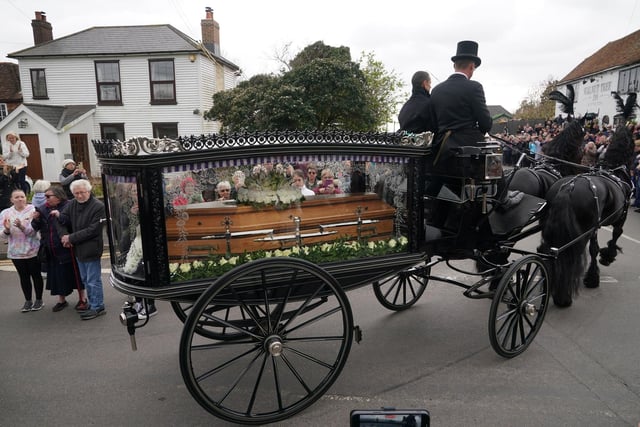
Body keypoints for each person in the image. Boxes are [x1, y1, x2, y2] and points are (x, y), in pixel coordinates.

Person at [429, 40, 521, 210]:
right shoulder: (473, 87)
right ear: (471, 67)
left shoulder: (437, 90)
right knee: (493, 154)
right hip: (467, 147)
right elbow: (486, 123)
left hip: (442, 149)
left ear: (454, 65)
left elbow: (434, 123)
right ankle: (503, 198)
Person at [50, 179, 106, 320]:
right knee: (85, 279)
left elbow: (93, 230)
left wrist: (71, 238)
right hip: (78, 248)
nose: (80, 196)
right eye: (76, 193)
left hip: (91, 247)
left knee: (93, 280)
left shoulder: (98, 206)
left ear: (89, 191)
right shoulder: (73, 204)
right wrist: (64, 235)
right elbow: (62, 219)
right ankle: (93, 303)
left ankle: (98, 306)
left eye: (82, 192)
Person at [31, 185, 87, 312]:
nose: (46, 199)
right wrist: (35, 219)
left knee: (75, 274)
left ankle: (82, 299)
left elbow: (74, 223)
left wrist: (60, 216)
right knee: (57, 276)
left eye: (48, 196)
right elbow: (36, 227)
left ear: (58, 196)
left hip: (68, 247)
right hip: (51, 248)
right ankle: (62, 300)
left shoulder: (69, 206)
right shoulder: (42, 209)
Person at [1, 189, 44, 312]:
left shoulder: (33, 210)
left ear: (26, 198)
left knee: (36, 275)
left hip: (33, 249)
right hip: (16, 252)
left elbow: (33, 231)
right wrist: (7, 230)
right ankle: (28, 301)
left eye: (22, 196)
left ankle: (39, 299)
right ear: (11, 199)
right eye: (16, 197)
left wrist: (21, 226)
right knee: (23, 277)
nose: (20, 199)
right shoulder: (6, 213)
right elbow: (3, 235)